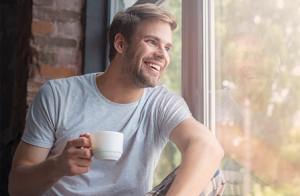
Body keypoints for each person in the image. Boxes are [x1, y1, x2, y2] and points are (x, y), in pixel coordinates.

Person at [8, 3, 225, 196]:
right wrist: (57, 166)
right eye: (152, 42)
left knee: (211, 173)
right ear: (120, 44)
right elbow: (16, 187)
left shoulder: (161, 103)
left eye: (167, 48)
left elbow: (208, 147)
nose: (163, 55)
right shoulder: (57, 95)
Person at [214, 22, 300, 195]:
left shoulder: (283, 108)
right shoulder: (216, 101)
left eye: (259, 55)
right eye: (242, 56)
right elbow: (247, 151)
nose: (253, 63)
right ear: (226, 65)